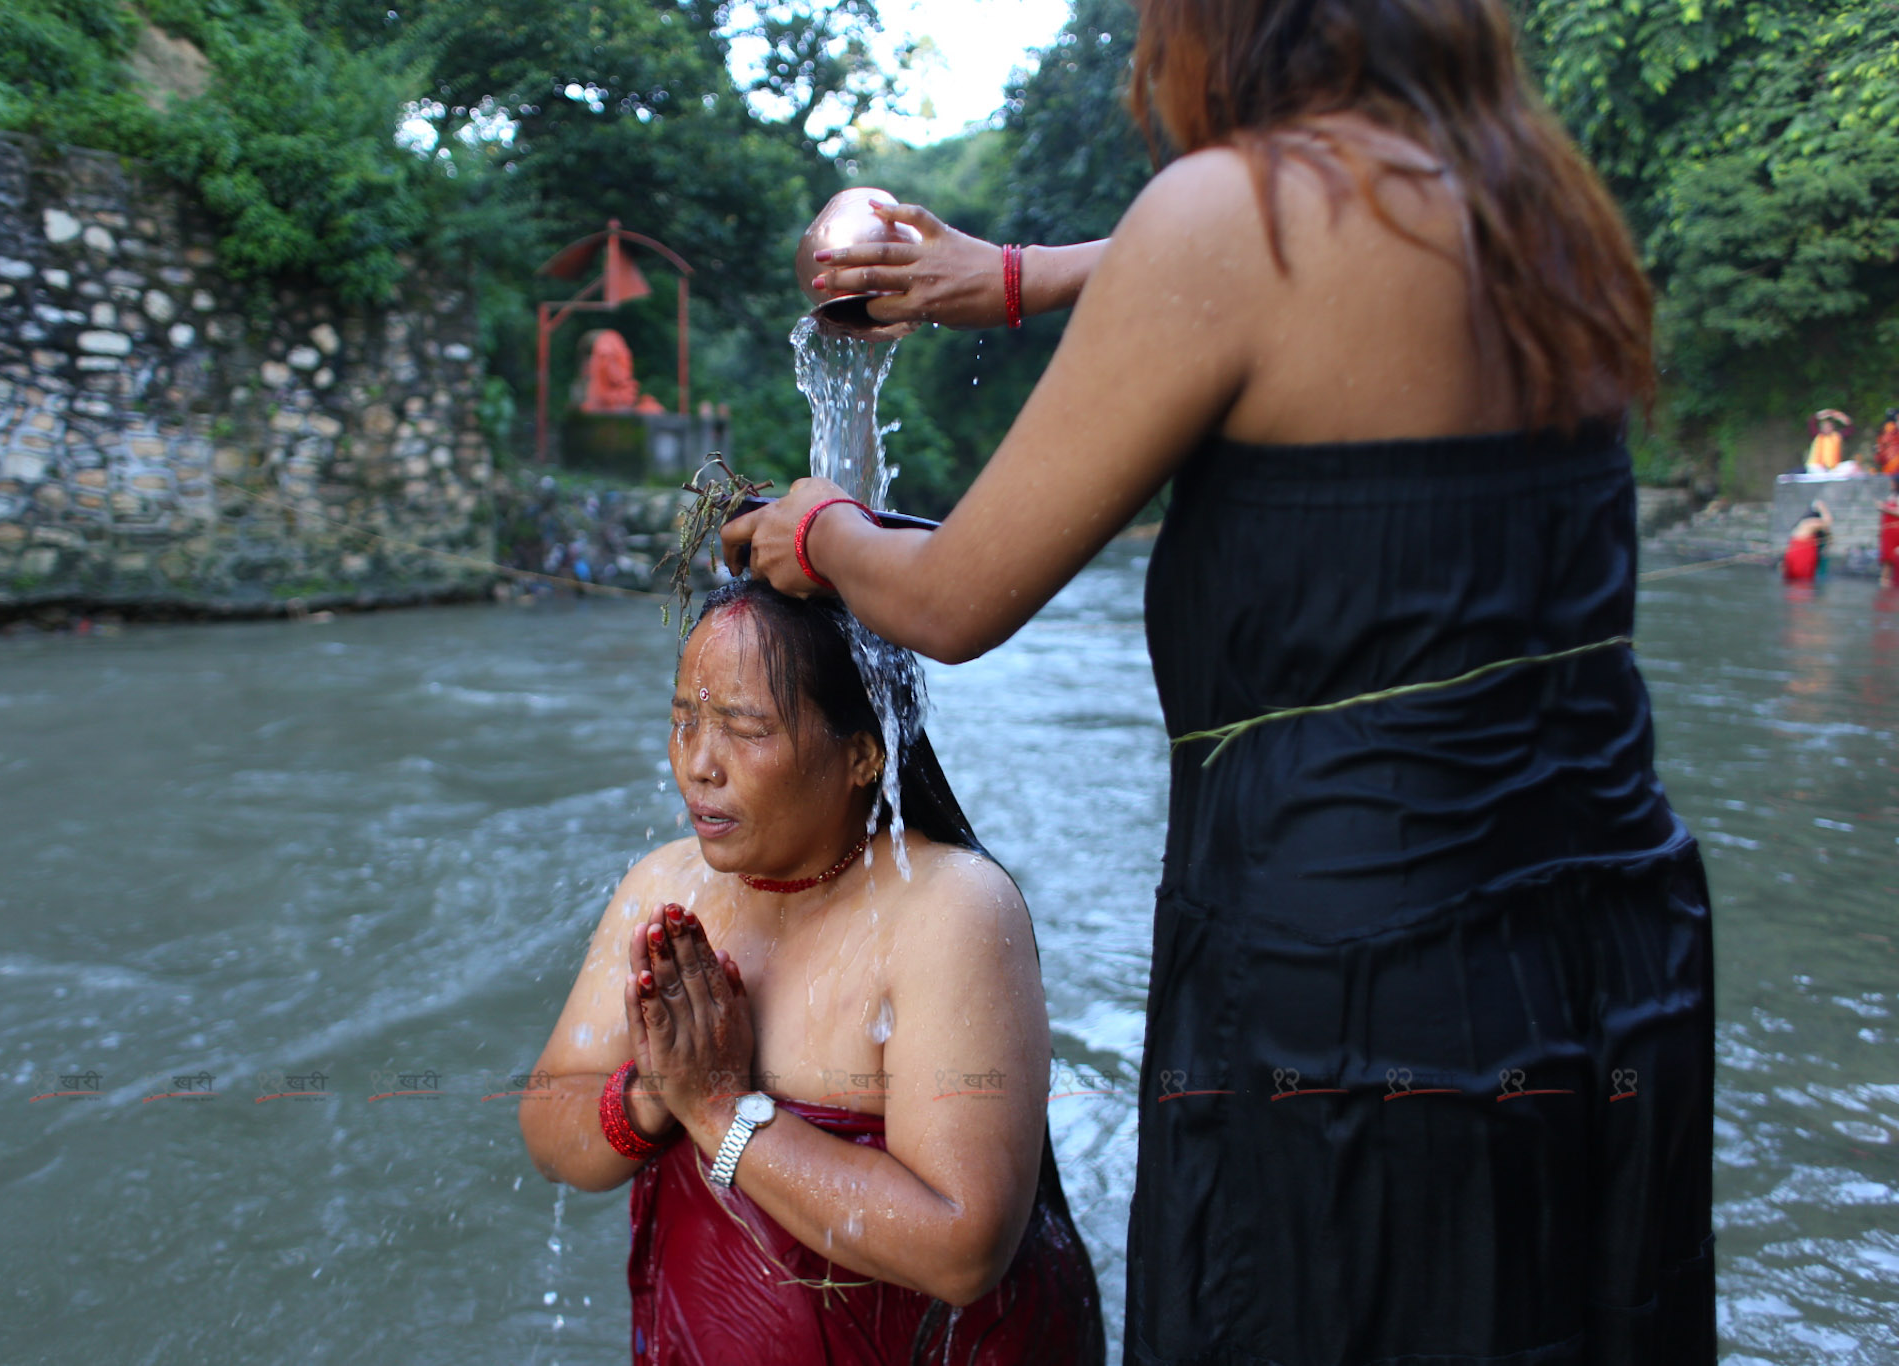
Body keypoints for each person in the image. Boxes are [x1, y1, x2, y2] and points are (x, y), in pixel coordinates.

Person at [725, 1, 1717, 1362]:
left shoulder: (1229, 218)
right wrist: (1014, 277)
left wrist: (815, 529)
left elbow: (955, 602)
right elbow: (1269, 261)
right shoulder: (1539, 204)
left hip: (1359, 987)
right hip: (1614, 940)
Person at [518, 577, 1104, 1366]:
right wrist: (656, 1094)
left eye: (745, 729)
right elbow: (551, 1131)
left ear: (862, 753)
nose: (697, 764)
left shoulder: (949, 911)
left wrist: (724, 1112)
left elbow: (963, 1252)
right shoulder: (663, 885)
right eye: (682, 720)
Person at [1782, 500, 1834, 583]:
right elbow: (1828, 521)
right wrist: (1822, 508)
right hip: (1801, 556)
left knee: (1794, 581)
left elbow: (1828, 536)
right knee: (1802, 582)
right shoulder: (1809, 523)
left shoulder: (1801, 525)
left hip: (1794, 554)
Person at [1806, 408, 1854, 473]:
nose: (1827, 428)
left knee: (1852, 465)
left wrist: (1839, 416)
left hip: (1833, 469)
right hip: (1818, 467)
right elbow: (1811, 422)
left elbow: (1850, 428)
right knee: (1815, 468)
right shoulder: (1817, 436)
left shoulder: (1837, 436)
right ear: (1821, 428)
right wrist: (1824, 413)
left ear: (1832, 427)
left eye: (1829, 426)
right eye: (1825, 426)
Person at [1879, 478, 1899, 588]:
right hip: (1888, 530)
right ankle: (1884, 581)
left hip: (1895, 530)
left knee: (1891, 557)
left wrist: (1884, 508)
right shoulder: (1891, 496)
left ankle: (1888, 581)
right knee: (1887, 557)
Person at [1875, 409, 1899, 476]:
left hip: (1889, 470)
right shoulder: (1890, 430)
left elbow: (1879, 454)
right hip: (1892, 469)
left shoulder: (1883, 431)